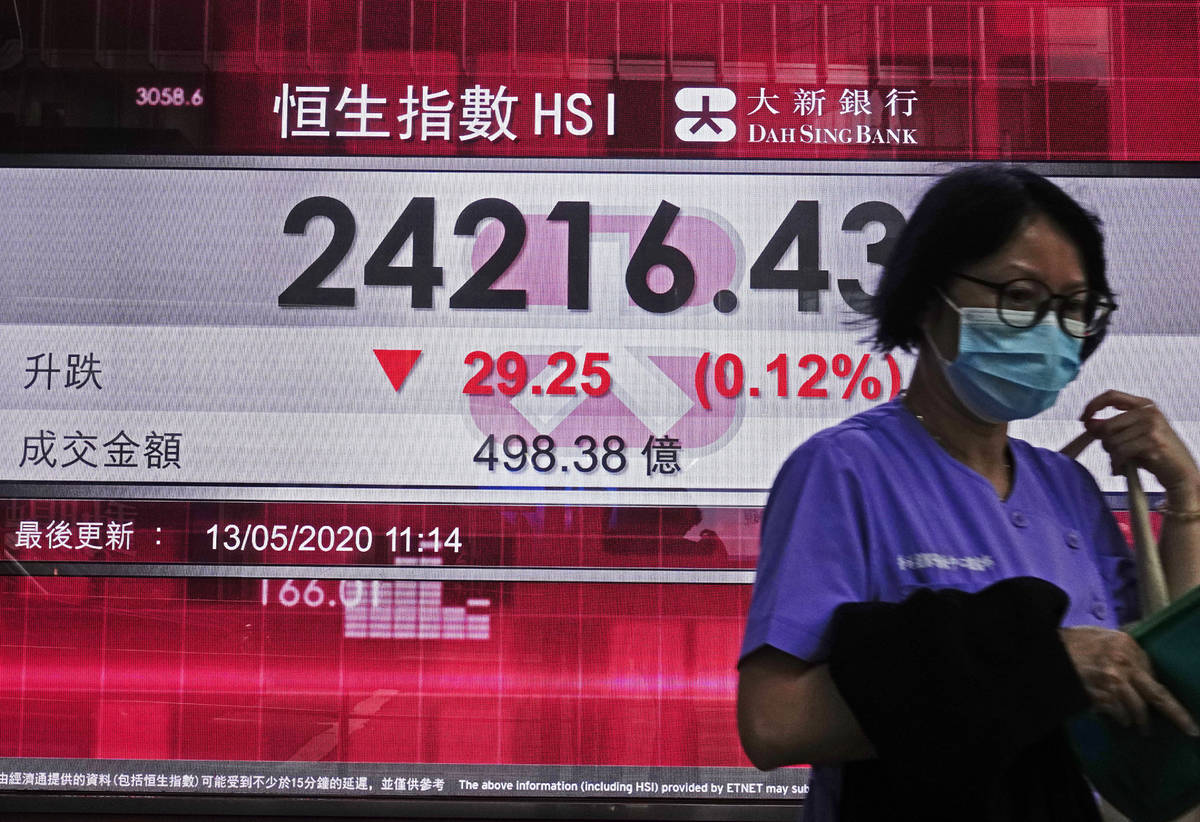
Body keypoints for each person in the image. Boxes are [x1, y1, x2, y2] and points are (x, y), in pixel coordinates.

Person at [736, 166, 1200, 821]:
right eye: (1018, 295)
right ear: (930, 299)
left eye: (1073, 307)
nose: (1049, 329)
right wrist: (1030, 667)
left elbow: (1170, 694)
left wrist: (1186, 502)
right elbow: (774, 724)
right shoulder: (845, 471)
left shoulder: (1066, 488)